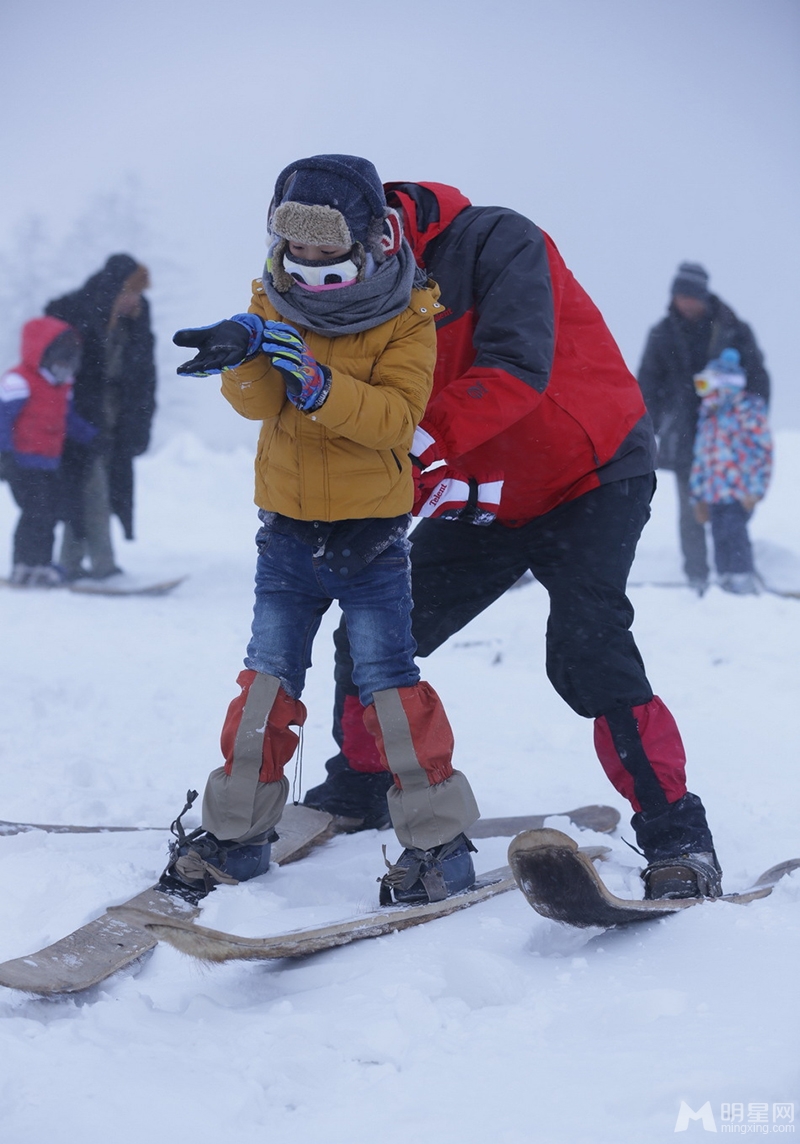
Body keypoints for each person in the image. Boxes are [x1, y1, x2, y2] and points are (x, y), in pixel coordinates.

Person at [304, 182, 723, 902]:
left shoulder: (498, 242)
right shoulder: (342, 288)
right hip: (489, 492)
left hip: (591, 473)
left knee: (587, 644)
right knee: (376, 626)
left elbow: (513, 371)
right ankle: (364, 780)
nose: (327, 277)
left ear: (381, 235)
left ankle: (678, 833)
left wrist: (405, 456)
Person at [161, 155, 479, 905]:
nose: (304, 255)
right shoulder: (269, 296)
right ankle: (235, 837)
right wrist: (242, 359)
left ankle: (439, 845)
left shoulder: (409, 314)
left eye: (322, 239)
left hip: (368, 538)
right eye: (291, 238)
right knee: (265, 683)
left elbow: (397, 420)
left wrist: (319, 384)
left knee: (388, 689)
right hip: (286, 534)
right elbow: (256, 405)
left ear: (368, 236)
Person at [638, 262, 770, 593]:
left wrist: (751, 415)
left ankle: (735, 571)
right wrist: (648, 426)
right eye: (681, 295)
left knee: (732, 508)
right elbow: (647, 385)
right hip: (684, 437)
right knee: (691, 512)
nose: (686, 302)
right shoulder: (662, 333)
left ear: (704, 296)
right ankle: (697, 577)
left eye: (691, 296)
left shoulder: (733, 329)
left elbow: (758, 377)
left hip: (730, 437)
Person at [44, 254, 157, 580]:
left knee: (99, 492)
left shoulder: (136, 318)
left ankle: (70, 562)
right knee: (90, 490)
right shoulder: (78, 311)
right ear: (114, 289)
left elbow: (144, 375)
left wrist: (140, 422)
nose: (135, 300)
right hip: (79, 420)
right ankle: (101, 565)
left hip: (116, 421)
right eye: (130, 293)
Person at [0, 317, 95, 585]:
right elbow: (2, 419)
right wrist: (3, 455)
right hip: (21, 462)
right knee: (35, 512)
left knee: (50, 513)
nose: (65, 368)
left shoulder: (62, 387)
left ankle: (40, 565)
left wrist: (92, 438)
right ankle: (23, 564)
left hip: (49, 463)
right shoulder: (18, 381)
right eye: (61, 360)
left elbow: (68, 419)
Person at [689, 348, 772, 595]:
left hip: (739, 492)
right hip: (713, 494)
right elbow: (700, 458)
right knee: (719, 538)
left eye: (707, 384)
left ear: (725, 385)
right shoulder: (708, 416)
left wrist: (756, 491)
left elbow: (762, 454)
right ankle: (725, 582)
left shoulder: (749, 412)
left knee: (734, 535)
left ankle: (742, 582)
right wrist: (697, 496)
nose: (703, 391)